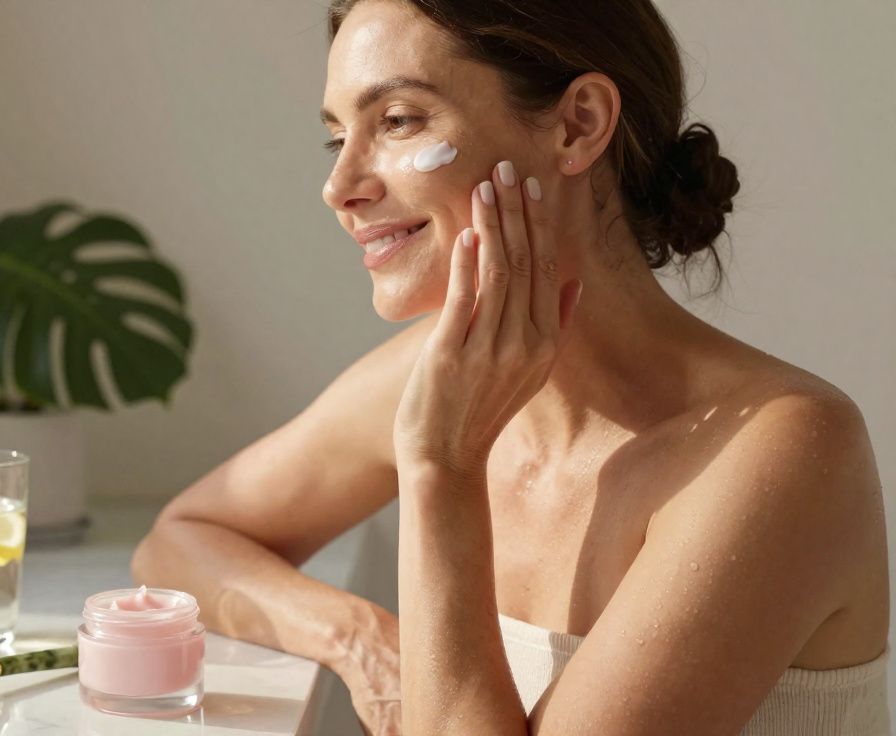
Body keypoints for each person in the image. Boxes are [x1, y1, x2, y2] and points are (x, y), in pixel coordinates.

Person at [131, 1, 890, 733]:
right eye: (338, 139)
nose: (340, 187)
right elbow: (180, 540)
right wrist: (361, 644)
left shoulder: (776, 450)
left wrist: (441, 467)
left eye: (398, 121)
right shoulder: (437, 376)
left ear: (577, 124)